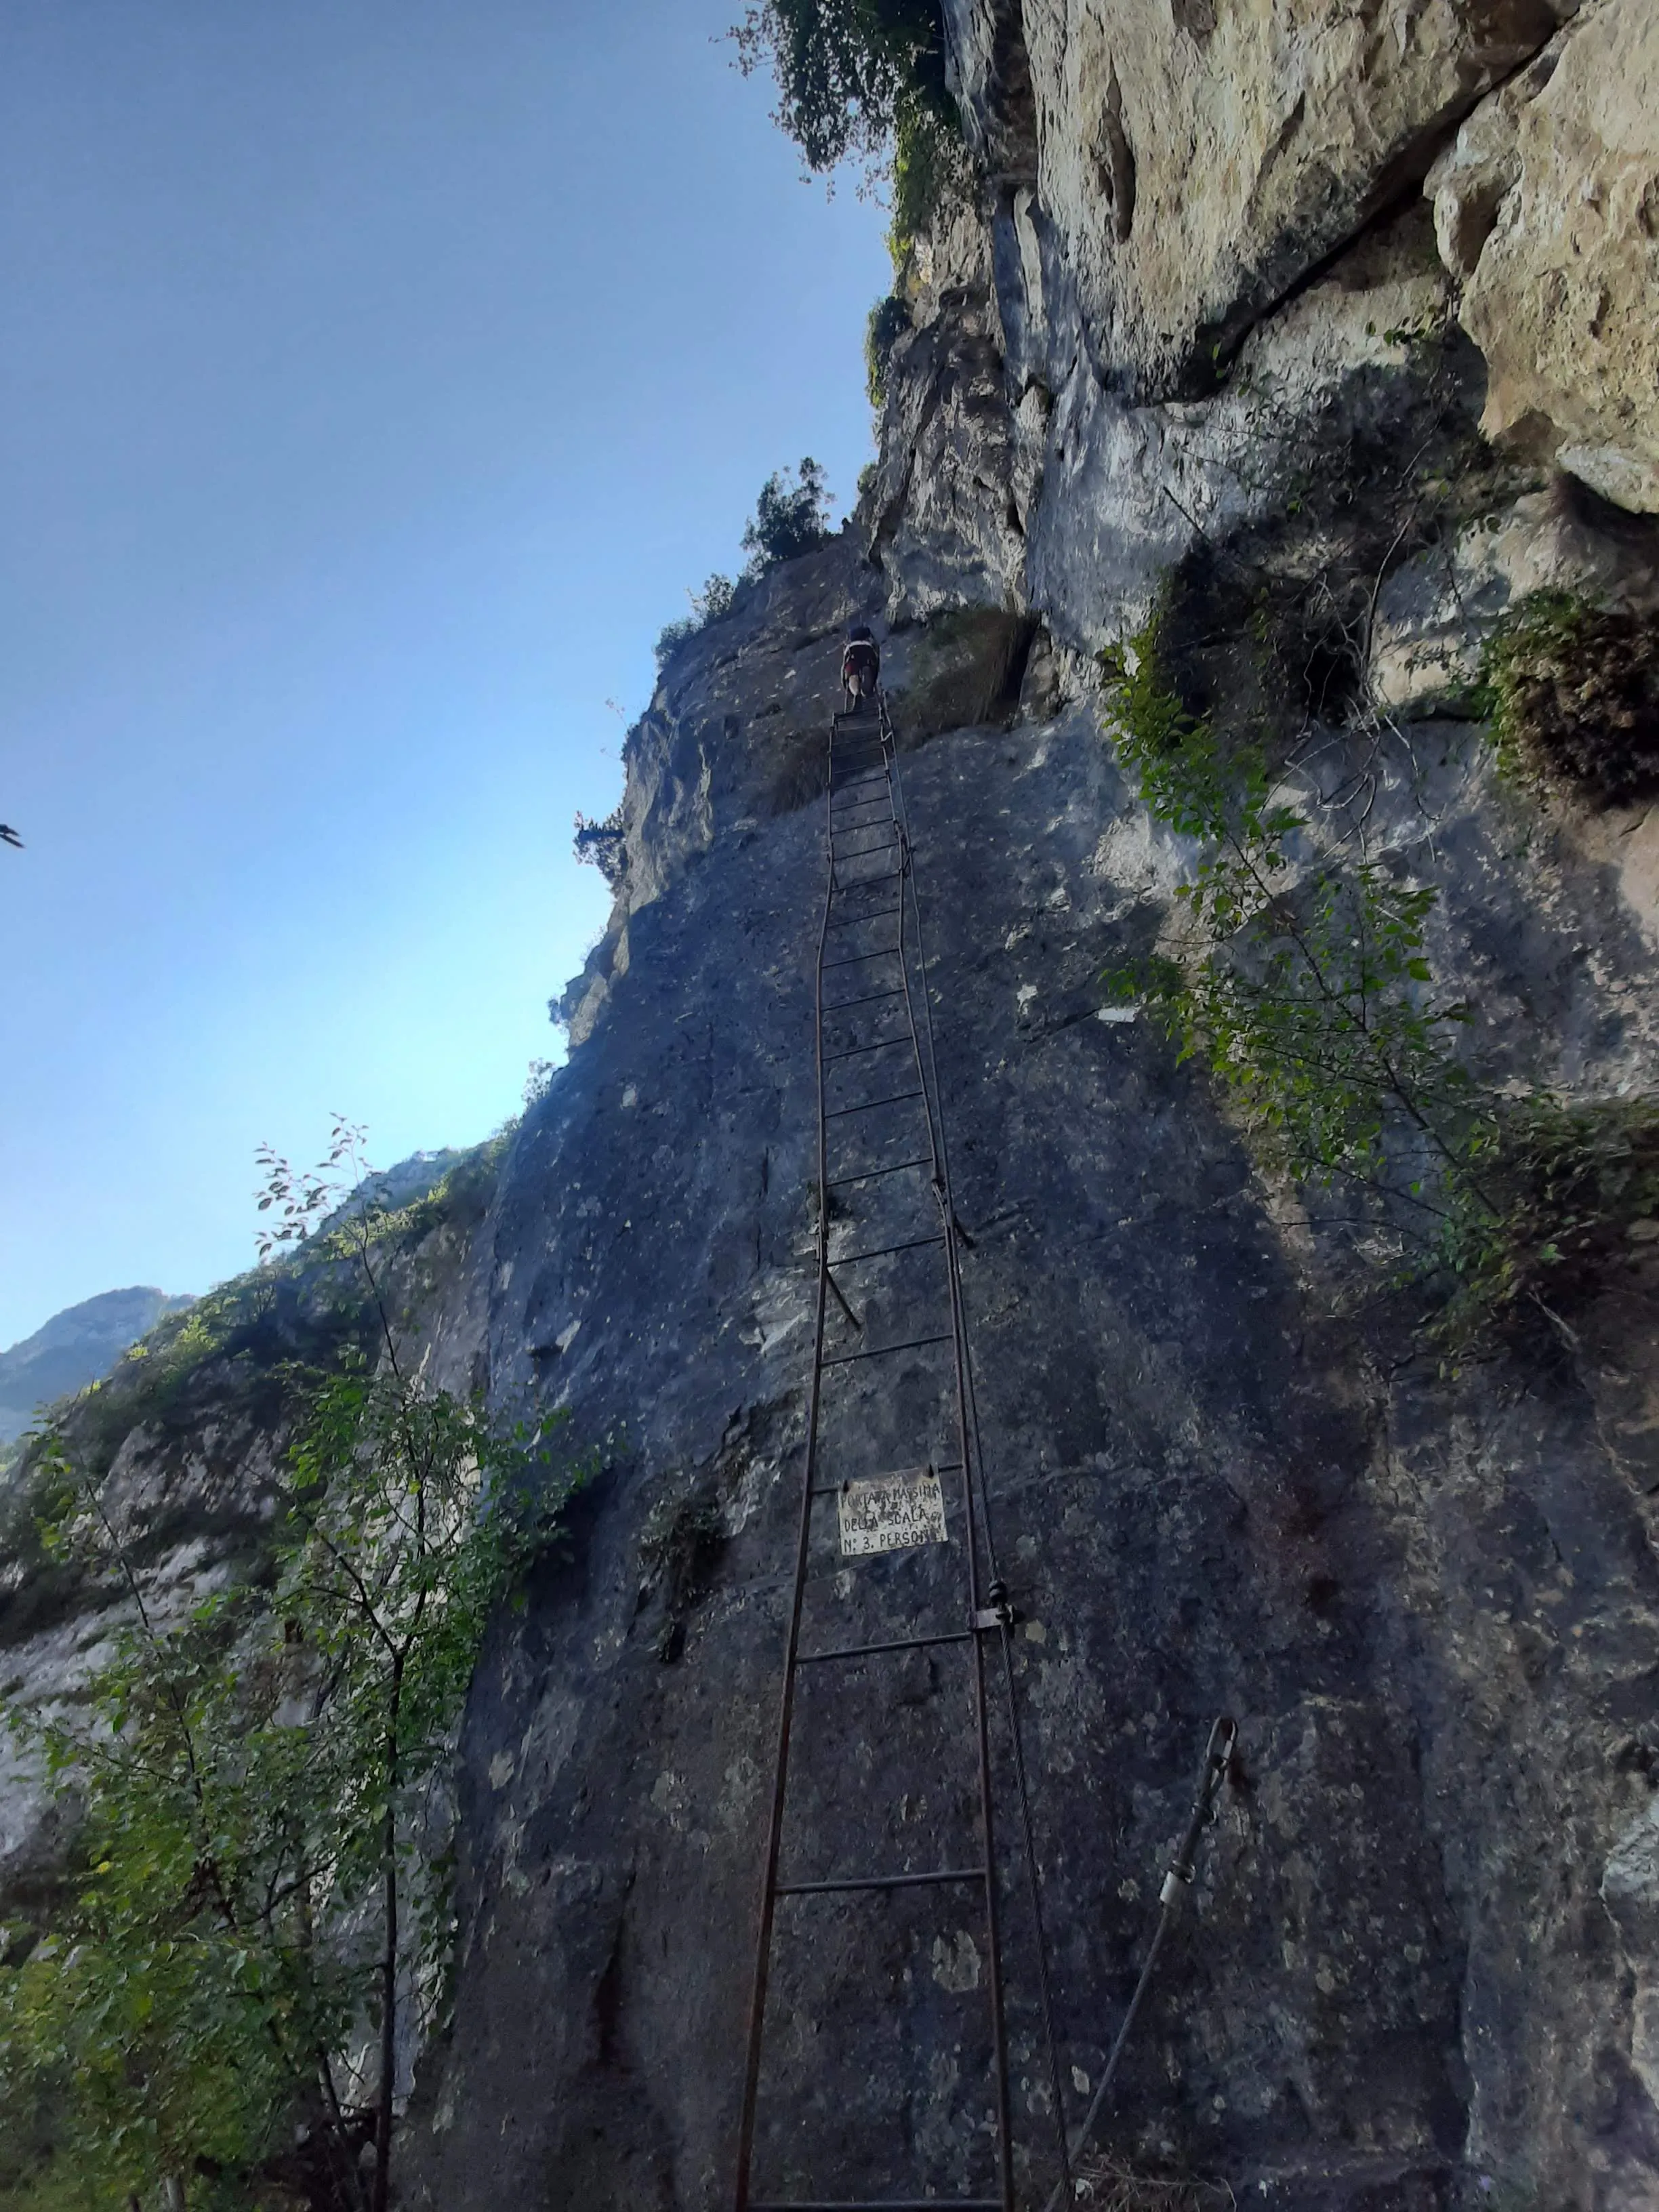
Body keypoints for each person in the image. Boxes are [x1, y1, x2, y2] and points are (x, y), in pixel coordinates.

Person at [841, 624, 880, 712]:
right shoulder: (869, 643)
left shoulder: (848, 645)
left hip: (852, 651)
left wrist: (844, 681)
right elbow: (876, 663)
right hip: (867, 650)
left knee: (852, 673)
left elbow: (844, 667)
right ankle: (866, 691)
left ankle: (856, 693)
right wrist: (874, 680)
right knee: (867, 667)